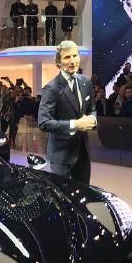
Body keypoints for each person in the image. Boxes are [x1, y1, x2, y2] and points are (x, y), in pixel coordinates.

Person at [38, 40, 97, 183]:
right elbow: (44, 122)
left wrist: (93, 119)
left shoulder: (86, 82)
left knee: (83, 192)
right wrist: (75, 124)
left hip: (82, 152)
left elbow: (92, 109)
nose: (72, 61)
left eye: (75, 56)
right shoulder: (51, 88)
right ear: (58, 62)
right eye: (67, 57)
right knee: (62, 194)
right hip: (61, 155)